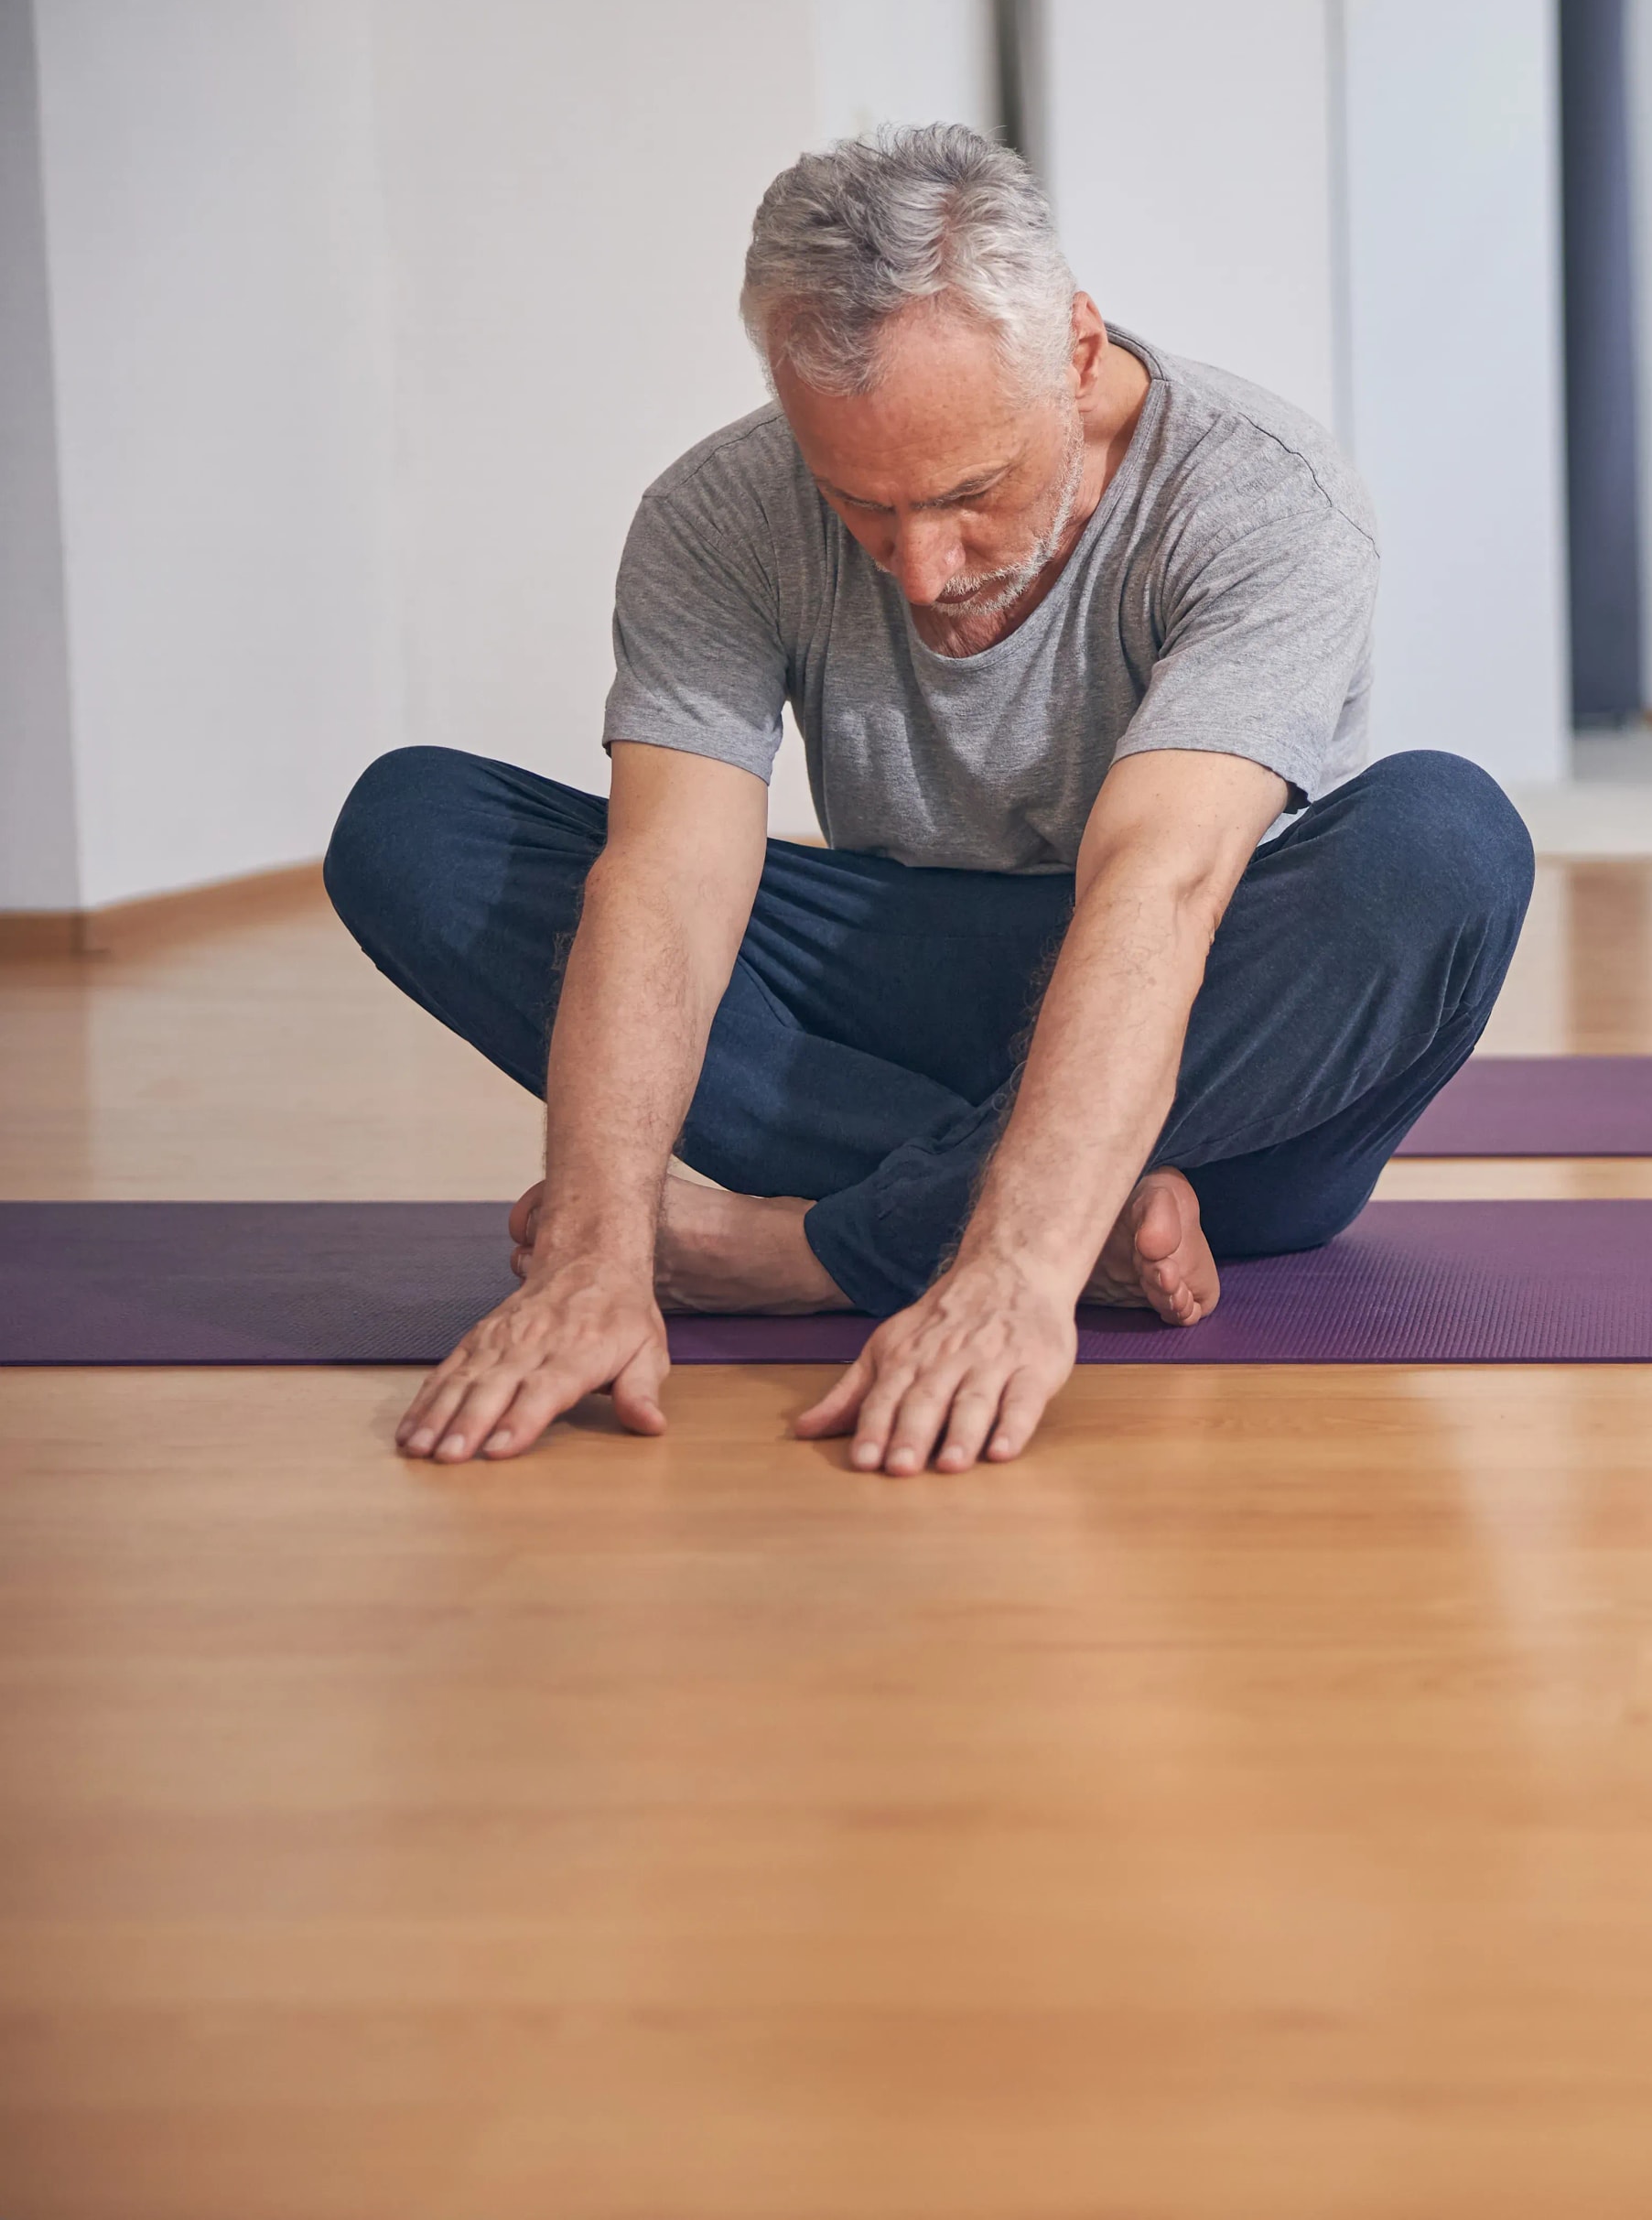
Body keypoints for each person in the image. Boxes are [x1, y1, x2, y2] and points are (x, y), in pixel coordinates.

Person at [324, 125, 1533, 1475]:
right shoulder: (717, 512)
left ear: (1076, 354)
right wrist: (598, 1261)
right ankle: (1083, 1224)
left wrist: (1010, 1275)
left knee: (1445, 844)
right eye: (860, 506)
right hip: (915, 1001)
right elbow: (667, 885)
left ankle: (837, 1245)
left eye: (971, 495)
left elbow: (1165, 890)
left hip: (1218, 1063)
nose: (920, 569)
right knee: (417, 829)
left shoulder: (1261, 498)